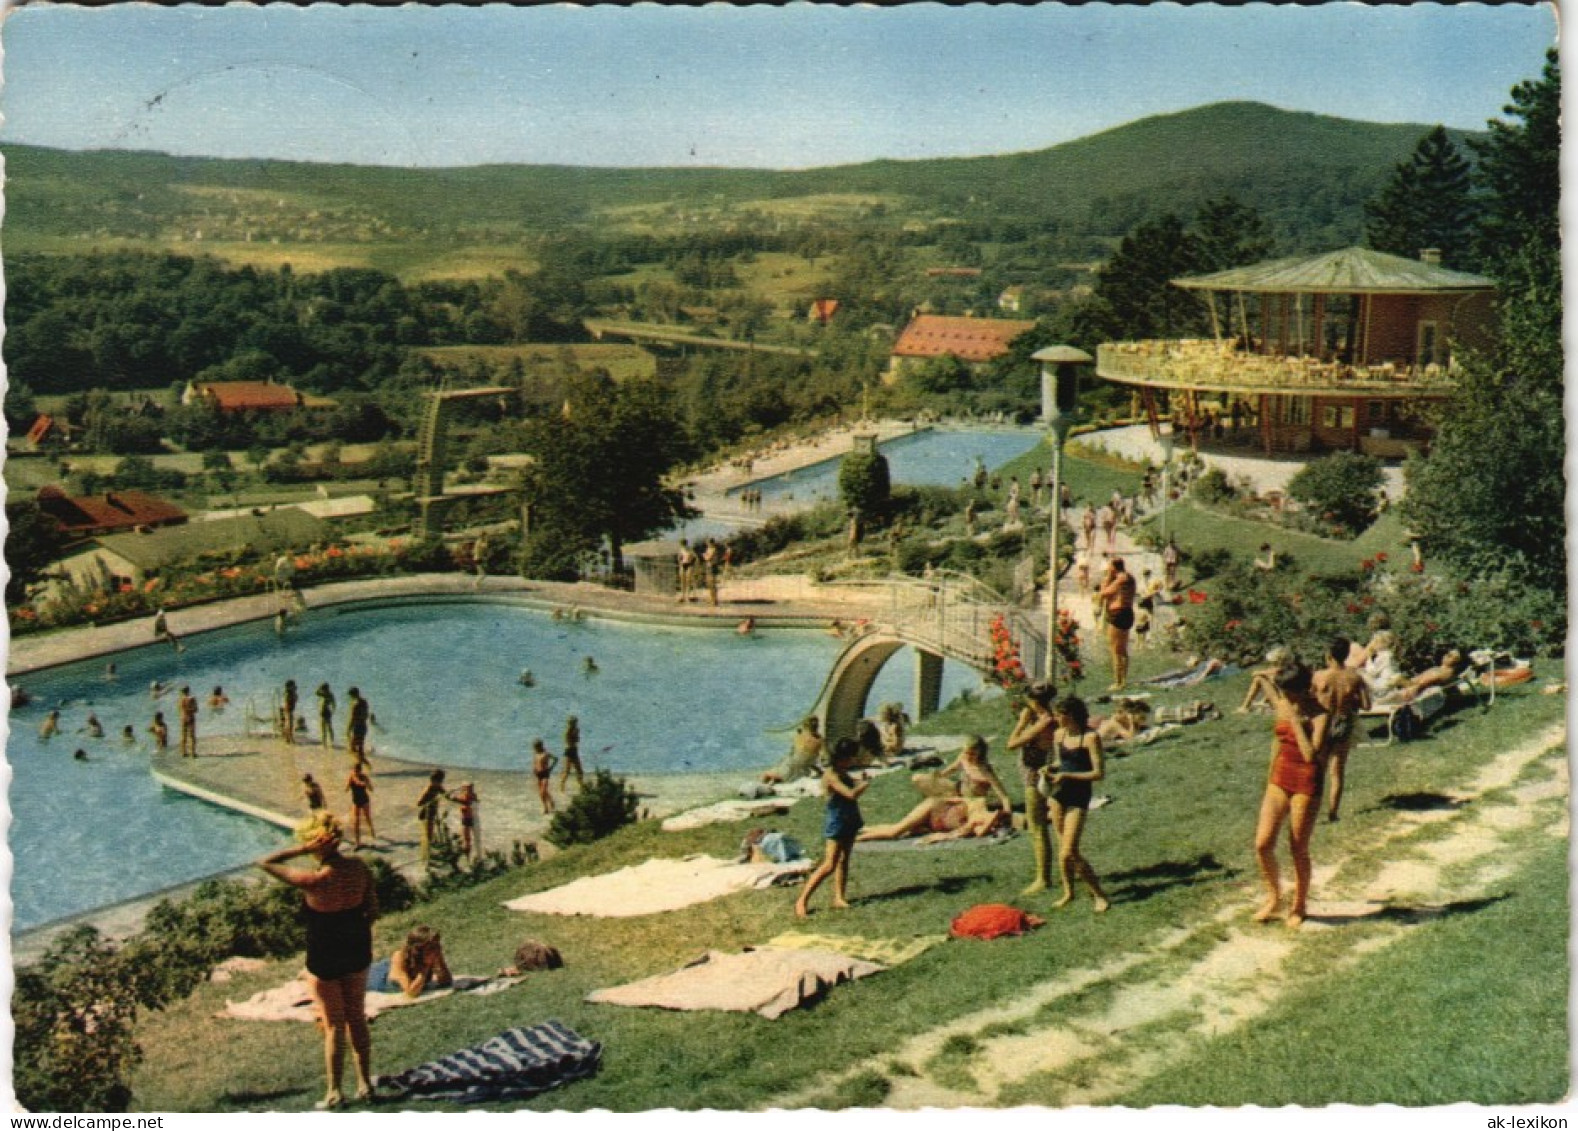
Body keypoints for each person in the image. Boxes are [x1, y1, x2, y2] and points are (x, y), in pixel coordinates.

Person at [256, 812, 376, 1109]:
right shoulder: (359, 868)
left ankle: (334, 1092)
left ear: (315, 844)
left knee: (334, 1024)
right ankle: (366, 1084)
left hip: (325, 954)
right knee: (357, 1016)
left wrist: (301, 850)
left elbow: (265, 863)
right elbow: (372, 910)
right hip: (357, 946)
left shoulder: (315, 880)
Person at [1253, 662, 1328, 929]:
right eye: (1283, 692)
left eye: (1289, 693)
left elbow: (1311, 755)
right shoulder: (1283, 701)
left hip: (1306, 781)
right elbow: (1277, 737)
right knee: (1262, 843)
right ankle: (1274, 896)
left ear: (1303, 690)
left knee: (1297, 847)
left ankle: (1299, 905)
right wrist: (1265, 677)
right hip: (1280, 776)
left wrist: (1296, 722)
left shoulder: (1320, 715)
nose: (1285, 698)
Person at [1045, 696, 1111, 911]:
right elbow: (1060, 762)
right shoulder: (1058, 735)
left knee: (1069, 851)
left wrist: (1067, 776)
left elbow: (1098, 773)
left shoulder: (1090, 737)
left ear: (1070, 715)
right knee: (1061, 847)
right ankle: (1068, 892)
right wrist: (1049, 770)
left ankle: (1100, 896)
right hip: (1058, 795)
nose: (1055, 719)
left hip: (1078, 796)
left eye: (1058, 715)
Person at [794, 737, 870, 918]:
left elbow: (850, 786)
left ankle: (839, 898)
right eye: (850, 757)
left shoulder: (842, 772)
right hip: (837, 821)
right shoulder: (832, 775)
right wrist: (864, 784)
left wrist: (859, 780)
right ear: (842, 757)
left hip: (849, 819)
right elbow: (850, 794)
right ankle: (802, 900)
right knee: (829, 864)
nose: (852, 761)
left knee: (844, 861)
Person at [1007, 681, 1059, 895]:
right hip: (1039, 773)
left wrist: (1022, 722)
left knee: (1037, 828)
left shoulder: (1043, 721)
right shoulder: (1053, 717)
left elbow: (1011, 744)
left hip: (1035, 776)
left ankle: (1042, 878)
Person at [1314, 638, 1370, 823]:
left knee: (1317, 769)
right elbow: (1366, 705)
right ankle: (1333, 812)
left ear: (1328, 655)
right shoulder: (1354, 677)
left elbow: (1310, 701)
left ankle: (1311, 811)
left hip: (1323, 722)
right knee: (1337, 770)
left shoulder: (1319, 676)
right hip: (1344, 721)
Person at [371, 925, 453, 999]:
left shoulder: (432, 954)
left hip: (392, 966)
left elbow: (446, 981)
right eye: (432, 947)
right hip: (379, 977)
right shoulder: (400, 957)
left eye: (437, 946)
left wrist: (440, 960)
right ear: (419, 949)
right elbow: (412, 993)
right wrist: (425, 968)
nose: (436, 949)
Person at [1099, 557, 1137, 691]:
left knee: (1115, 650)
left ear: (1114, 567)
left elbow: (1103, 593)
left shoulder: (1120, 579)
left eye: (1109, 566)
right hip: (1128, 612)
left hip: (1118, 614)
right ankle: (1124, 680)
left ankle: (1117, 682)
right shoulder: (1130, 578)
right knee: (1123, 649)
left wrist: (1107, 578)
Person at [763, 716, 824, 785]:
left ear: (805, 726)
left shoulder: (799, 737)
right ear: (817, 726)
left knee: (766, 775)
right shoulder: (820, 741)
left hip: (789, 770)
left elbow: (796, 759)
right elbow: (808, 760)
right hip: (803, 773)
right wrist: (819, 770)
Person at [1239, 646, 1294, 714]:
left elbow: (1276, 672)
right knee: (1265, 679)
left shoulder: (1280, 671)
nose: (1272, 663)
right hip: (1287, 701)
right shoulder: (1291, 668)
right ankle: (1261, 702)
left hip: (1284, 704)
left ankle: (1245, 707)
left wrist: (1259, 672)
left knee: (1258, 678)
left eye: (1274, 662)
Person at [416, 770, 447, 860]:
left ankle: (429, 851)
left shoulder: (439, 788)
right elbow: (419, 803)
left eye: (441, 781)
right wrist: (429, 802)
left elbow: (446, 795)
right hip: (426, 813)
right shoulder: (429, 789)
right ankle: (427, 853)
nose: (439, 783)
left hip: (433, 812)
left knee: (431, 832)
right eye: (438, 781)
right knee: (427, 834)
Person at [345, 763, 376, 848]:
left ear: (360, 771)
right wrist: (350, 783)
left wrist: (365, 783)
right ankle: (357, 842)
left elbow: (371, 789)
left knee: (367, 818)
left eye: (357, 771)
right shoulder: (351, 777)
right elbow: (346, 789)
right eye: (354, 770)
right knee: (356, 822)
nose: (355, 772)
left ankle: (372, 836)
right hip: (356, 801)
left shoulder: (364, 777)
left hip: (364, 800)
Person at [449, 783, 480, 859]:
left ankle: (477, 857)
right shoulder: (465, 795)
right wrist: (453, 795)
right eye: (468, 788)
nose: (470, 790)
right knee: (467, 840)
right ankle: (468, 857)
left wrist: (454, 797)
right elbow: (461, 801)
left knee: (475, 839)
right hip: (466, 819)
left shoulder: (472, 796)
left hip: (473, 819)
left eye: (470, 788)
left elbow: (466, 802)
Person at [347, 687, 372, 767]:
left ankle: (363, 761)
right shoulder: (364, 702)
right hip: (363, 725)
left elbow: (352, 718)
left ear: (352, 695)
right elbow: (366, 714)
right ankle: (360, 763)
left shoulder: (355, 704)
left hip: (357, 726)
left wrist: (348, 729)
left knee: (352, 748)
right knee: (360, 747)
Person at [560, 716, 585, 792]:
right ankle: (562, 785)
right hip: (569, 751)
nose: (575, 724)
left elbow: (577, 740)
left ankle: (581, 784)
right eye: (574, 722)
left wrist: (576, 735)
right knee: (567, 771)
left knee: (580, 770)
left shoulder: (576, 730)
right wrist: (574, 736)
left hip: (574, 750)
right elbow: (569, 742)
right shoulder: (567, 731)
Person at [532, 739, 557, 814]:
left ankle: (546, 808)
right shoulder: (536, 754)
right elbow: (535, 763)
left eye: (536, 747)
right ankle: (549, 803)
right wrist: (534, 769)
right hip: (538, 774)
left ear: (540, 746)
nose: (535, 749)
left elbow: (556, 759)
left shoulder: (546, 754)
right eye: (534, 747)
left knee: (543, 791)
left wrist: (551, 768)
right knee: (542, 792)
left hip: (545, 773)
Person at [178, 685, 198, 758]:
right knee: (192, 736)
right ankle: (193, 753)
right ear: (188, 690)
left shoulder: (180, 700)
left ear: (182, 692)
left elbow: (179, 710)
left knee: (183, 736)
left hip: (183, 718)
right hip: (190, 718)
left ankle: (184, 752)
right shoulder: (192, 698)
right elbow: (196, 709)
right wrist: (190, 710)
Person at [316, 683, 337, 749]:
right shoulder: (328, 694)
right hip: (326, 712)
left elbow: (316, 692)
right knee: (328, 728)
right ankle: (330, 742)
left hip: (325, 712)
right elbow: (334, 704)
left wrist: (319, 688)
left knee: (325, 728)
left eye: (323, 689)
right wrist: (333, 710)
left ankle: (326, 743)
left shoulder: (325, 694)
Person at [676, 539, 696, 604]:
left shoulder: (690, 549)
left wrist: (692, 562)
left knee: (688, 581)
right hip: (683, 565)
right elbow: (679, 558)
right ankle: (682, 596)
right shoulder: (681, 550)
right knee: (682, 581)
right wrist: (680, 563)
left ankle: (688, 596)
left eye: (683, 543)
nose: (683, 545)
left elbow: (694, 557)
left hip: (689, 565)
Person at [281, 680, 300, 746]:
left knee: (289, 724)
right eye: (293, 686)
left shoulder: (290, 693)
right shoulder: (288, 693)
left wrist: (294, 692)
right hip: (288, 710)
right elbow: (293, 699)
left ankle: (288, 738)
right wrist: (294, 693)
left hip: (290, 709)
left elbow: (296, 699)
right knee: (289, 725)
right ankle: (289, 738)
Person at [703, 537, 720, 606]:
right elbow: (706, 557)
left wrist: (705, 555)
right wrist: (705, 556)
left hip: (712, 566)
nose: (707, 544)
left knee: (712, 583)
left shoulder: (713, 549)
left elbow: (708, 558)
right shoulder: (708, 549)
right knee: (709, 584)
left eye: (708, 543)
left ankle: (714, 600)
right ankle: (711, 598)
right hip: (708, 566)